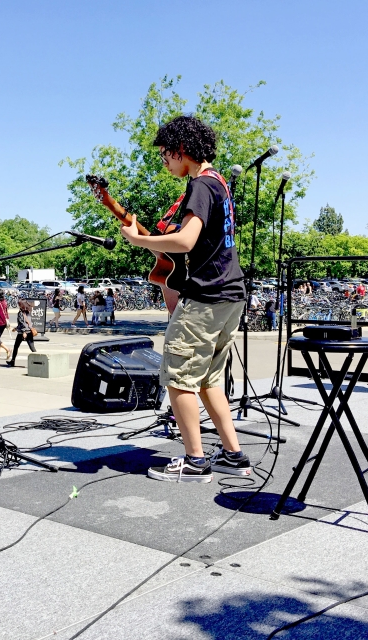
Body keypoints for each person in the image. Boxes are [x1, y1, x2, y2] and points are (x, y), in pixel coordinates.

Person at [119, 114, 251, 482]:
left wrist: (139, 240)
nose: (164, 161)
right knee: (209, 380)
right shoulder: (220, 185)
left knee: (177, 378)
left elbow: (186, 240)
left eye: (165, 154)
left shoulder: (200, 186)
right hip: (230, 294)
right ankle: (233, 455)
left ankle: (195, 461)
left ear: (182, 150)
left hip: (206, 296)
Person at [7, 298, 37, 367]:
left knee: (16, 347)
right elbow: (26, 323)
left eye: (19, 304)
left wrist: (23, 331)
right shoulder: (28, 311)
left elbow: (21, 323)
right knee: (32, 347)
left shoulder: (20, 313)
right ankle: (38, 360)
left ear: (21, 305)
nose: (18, 305)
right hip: (29, 331)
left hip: (22, 333)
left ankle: (12, 361)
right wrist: (16, 328)